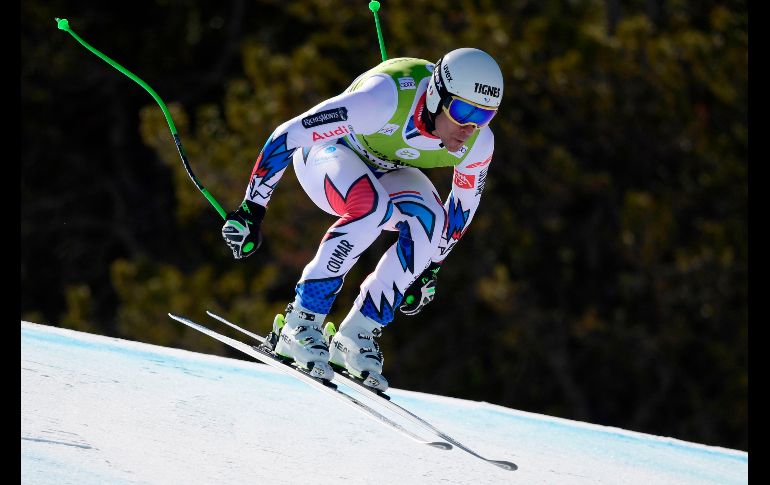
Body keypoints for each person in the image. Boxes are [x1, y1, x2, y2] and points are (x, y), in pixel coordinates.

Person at [221, 48, 503, 392]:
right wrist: (253, 208)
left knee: (430, 221)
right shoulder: (383, 99)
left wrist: (429, 269)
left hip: (388, 169)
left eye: (485, 116)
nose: (469, 127)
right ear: (435, 95)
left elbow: (461, 207)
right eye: (463, 111)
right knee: (372, 209)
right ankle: (301, 321)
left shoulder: (477, 143)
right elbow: (289, 134)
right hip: (327, 156)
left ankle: (357, 335)